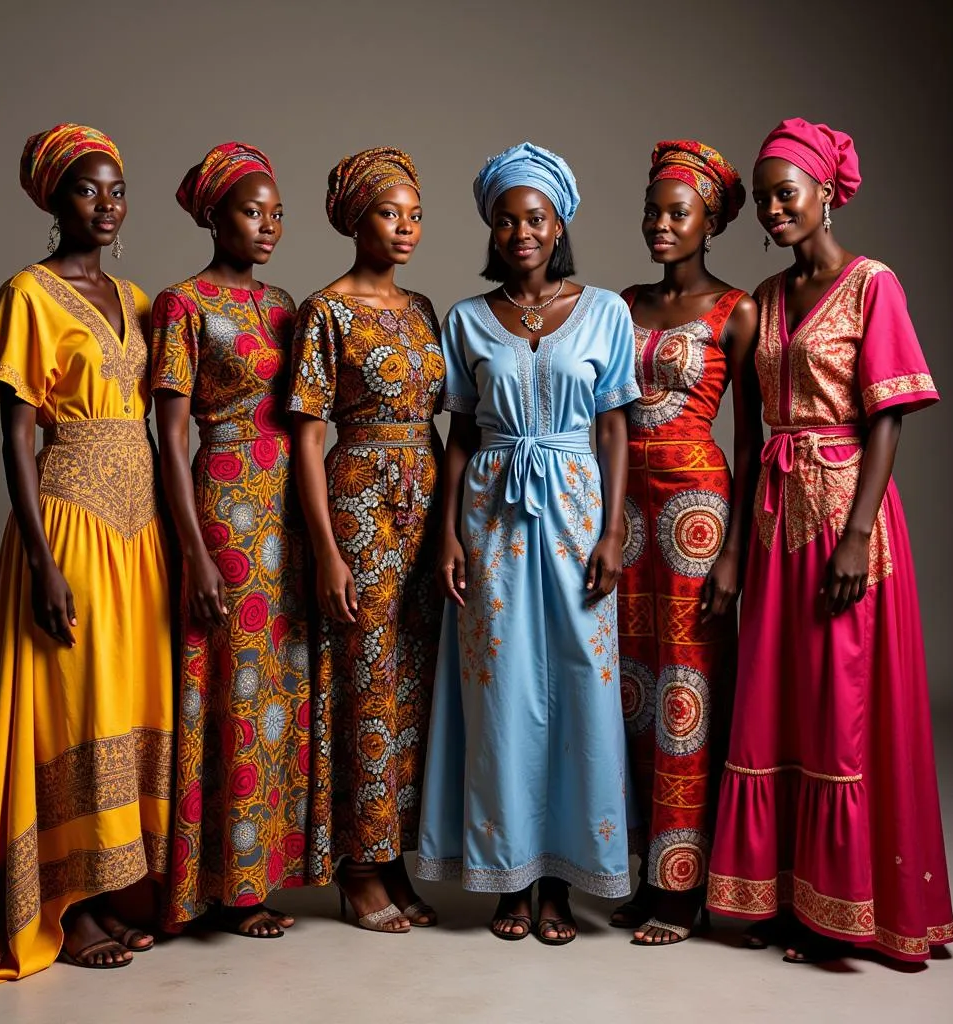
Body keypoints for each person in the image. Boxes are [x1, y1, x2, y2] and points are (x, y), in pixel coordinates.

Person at [706, 118, 953, 963]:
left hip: (847, 517)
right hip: (774, 521)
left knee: (844, 701)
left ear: (825, 192)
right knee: (777, 700)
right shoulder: (764, 302)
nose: (775, 209)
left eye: (789, 193)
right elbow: (747, 436)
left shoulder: (871, 283)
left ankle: (852, 907)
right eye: (766, 196)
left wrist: (856, 535)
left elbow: (888, 416)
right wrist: (735, 550)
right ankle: (781, 898)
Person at [0, 124, 173, 982]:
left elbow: (158, 419)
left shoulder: (143, 299)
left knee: (125, 702)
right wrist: (41, 560)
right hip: (67, 519)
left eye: (116, 189)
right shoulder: (27, 294)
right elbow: (13, 438)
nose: (107, 205)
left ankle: (114, 890)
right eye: (88, 190)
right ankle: (59, 908)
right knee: (67, 706)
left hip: (140, 527)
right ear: (52, 200)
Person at [416, 142, 639, 945]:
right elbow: (461, 433)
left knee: (581, 690)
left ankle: (561, 883)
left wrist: (614, 529)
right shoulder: (468, 319)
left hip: (579, 514)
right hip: (492, 521)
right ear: (491, 228)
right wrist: (446, 533)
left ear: (560, 224)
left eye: (535, 218)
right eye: (506, 220)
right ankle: (510, 879)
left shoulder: (607, 312)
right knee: (502, 696)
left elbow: (613, 425)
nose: (521, 233)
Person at [151, 142, 313, 938]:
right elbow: (169, 439)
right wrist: (196, 551)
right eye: (253, 211)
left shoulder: (286, 305)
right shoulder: (181, 305)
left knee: (276, 692)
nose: (268, 225)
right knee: (229, 689)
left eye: (276, 213)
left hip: (289, 508)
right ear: (215, 215)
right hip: (227, 508)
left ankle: (256, 874)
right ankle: (216, 886)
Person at [288, 147, 444, 933]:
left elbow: (442, 422)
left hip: (424, 501)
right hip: (360, 502)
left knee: (414, 681)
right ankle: (357, 865)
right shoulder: (326, 310)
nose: (407, 228)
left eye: (416, 215)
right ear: (356, 218)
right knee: (365, 683)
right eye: (391, 212)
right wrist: (325, 549)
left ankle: (396, 857)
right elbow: (307, 437)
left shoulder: (422, 310)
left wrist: (449, 522)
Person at [612, 140, 760, 945]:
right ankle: (640, 871)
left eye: (679, 213)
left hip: (696, 512)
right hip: (623, 514)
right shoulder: (624, 300)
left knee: (687, 698)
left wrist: (734, 550)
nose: (661, 225)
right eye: (653, 211)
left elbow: (750, 440)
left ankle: (682, 887)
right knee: (630, 692)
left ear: (710, 221)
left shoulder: (736, 310)